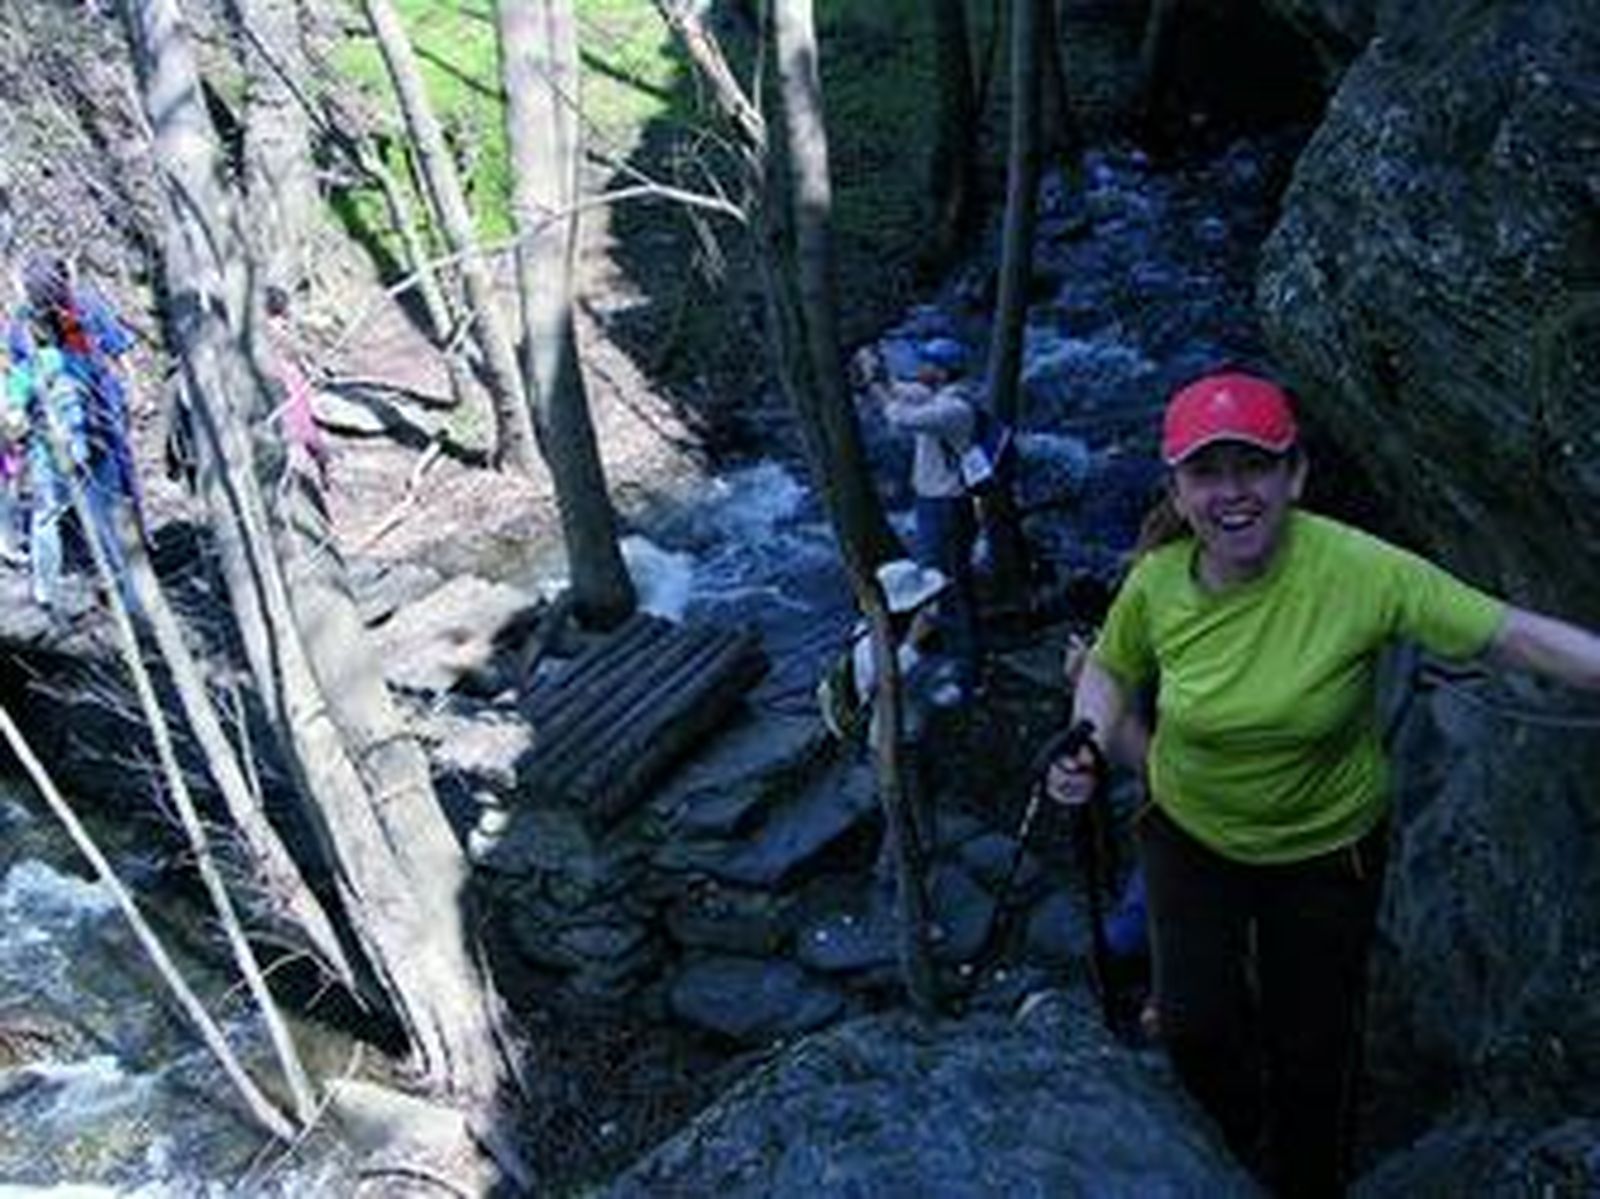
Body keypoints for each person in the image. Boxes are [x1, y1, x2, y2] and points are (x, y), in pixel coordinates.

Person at [1045, 369, 1600, 1197]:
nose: (1232, 494)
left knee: (1316, 1043)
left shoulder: (1362, 572)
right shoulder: (1158, 580)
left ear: (1294, 475)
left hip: (1324, 849)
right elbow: (1114, 664)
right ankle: (1227, 1152)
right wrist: (1088, 734)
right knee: (1197, 1031)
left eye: (1254, 467)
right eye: (1207, 472)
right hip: (1189, 835)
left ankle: (1309, 1179)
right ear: (1178, 487)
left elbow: (1512, 635)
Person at [864, 337, 980, 699]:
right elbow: (900, 392)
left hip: (946, 508)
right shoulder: (940, 395)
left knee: (946, 588)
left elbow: (898, 415)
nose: (920, 368)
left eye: (927, 364)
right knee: (943, 585)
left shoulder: (953, 410)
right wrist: (878, 372)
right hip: (936, 505)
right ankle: (953, 659)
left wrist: (873, 385)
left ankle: (966, 675)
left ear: (941, 372)